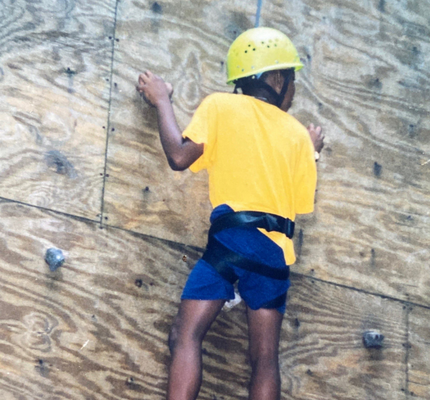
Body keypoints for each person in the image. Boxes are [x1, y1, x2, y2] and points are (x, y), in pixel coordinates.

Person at [137, 27, 324, 400]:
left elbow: (178, 155)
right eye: (292, 79)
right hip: (274, 255)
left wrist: (162, 100)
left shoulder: (221, 105)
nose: (293, 88)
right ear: (275, 77)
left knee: (185, 336)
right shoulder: (299, 137)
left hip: (232, 241)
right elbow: (300, 205)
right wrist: (310, 150)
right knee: (265, 359)